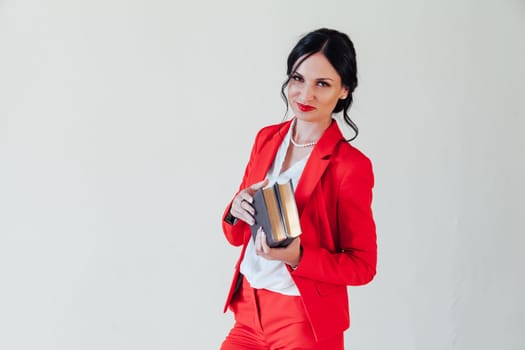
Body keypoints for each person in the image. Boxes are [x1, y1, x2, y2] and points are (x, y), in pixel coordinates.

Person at [220, 28, 377, 350]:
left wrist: (299, 257)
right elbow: (236, 236)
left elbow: (362, 266)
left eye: (322, 84)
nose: (305, 95)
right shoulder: (267, 139)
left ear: (344, 90)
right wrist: (236, 209)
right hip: (248, 310)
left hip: (303, 321)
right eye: (298, 78)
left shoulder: (349, 166)